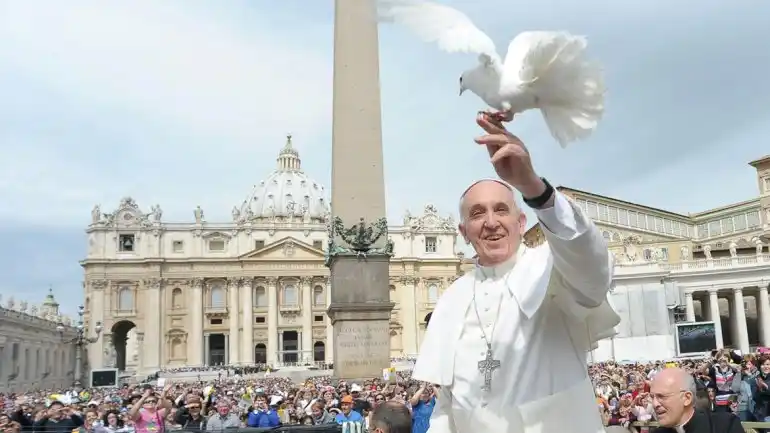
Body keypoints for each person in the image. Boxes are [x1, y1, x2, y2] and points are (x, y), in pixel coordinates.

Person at [412, 113, 620, 433]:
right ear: (464, 231)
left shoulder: (552, 267)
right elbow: (447, 406)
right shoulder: (452, 297)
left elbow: (592, 267)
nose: (491, 222)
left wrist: (532, 186)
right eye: (477, 214)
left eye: (501, 210)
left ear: (521, 223)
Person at [650, 368, 744, 432]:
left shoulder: (725, 425)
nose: (655, 404)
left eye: (662, 396)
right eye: (652, 397)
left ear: (687, 398)